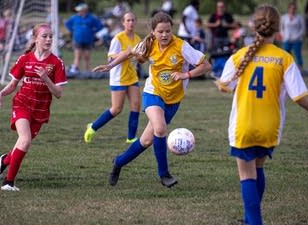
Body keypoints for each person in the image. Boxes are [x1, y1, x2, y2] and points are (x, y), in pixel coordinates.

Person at [215, 4, 308, 224]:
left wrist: (222, 82)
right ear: (278, 28)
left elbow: (224, 86)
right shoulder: (284, 58)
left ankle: (254, 221)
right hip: (270, 126)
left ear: (255, 26)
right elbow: (298, 95)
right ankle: (249, 219)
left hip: (244, 124)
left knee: (246, 176)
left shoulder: (240, 56)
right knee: (258, 167)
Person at [93, 12, 211, 188]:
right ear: (154, 32)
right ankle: (164, 175)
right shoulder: (149, 44)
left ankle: (118, 162)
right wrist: (110, 66)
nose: (164, 35)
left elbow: (206, 65)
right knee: (161, 128)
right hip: (153, 93)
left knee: (147, 141)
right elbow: (128, 52)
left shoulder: (181, 46)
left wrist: (186, 74)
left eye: (168, 31)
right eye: (160, 31)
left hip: (174, 99)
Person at [0, 23, 67, 191]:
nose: (48, 39)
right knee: (25, 141)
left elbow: (59, 93)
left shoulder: (56, 63)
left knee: (22, 143)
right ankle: (8, 183)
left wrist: (46, 78)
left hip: (40, 110)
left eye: (50, 36)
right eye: (44, 36)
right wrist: (0, 94)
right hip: (22, 104)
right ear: (35, 39)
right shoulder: (25, 59)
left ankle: (5, 160)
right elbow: (13, 85)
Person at [84, 12, 141, 144]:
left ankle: (131, 138)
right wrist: (124, 54)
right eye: (128, 20)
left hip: (132, 76)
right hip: (118, 77)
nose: (131, 23)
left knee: (136, 105)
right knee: (116, 109)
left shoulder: (138, 39)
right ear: (123, 22)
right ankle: (92, 127)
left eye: (133, 20)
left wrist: (139, 57)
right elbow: (110, 57)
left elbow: (140, 58)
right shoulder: (118, 38)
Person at [64, 3, 103, 73]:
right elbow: (67, 24)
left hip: (88, 39)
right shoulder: (74, 17)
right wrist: (73, 30)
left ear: (85, 10)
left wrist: (93, 31)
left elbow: (100, 25)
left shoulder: (91, 18)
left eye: (80, 10)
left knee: (87, 57)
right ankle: (75, 70)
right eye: (78, 10)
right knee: (78, 56)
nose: (79, 12)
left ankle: (87, 71)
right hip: (77, 39)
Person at [280, 1, 305, 71]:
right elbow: (281, 28)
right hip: (286, 39)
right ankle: (286, 70)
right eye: (291, 8)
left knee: (297, 55)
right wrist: (283, 36)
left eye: (294, 8)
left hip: (297, 40)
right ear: (288, 9)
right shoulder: (284, 17)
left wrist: (296, 37)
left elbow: (302, 29)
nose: (292, 10)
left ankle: (300, 70)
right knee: (286, 55)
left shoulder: (299, 18)